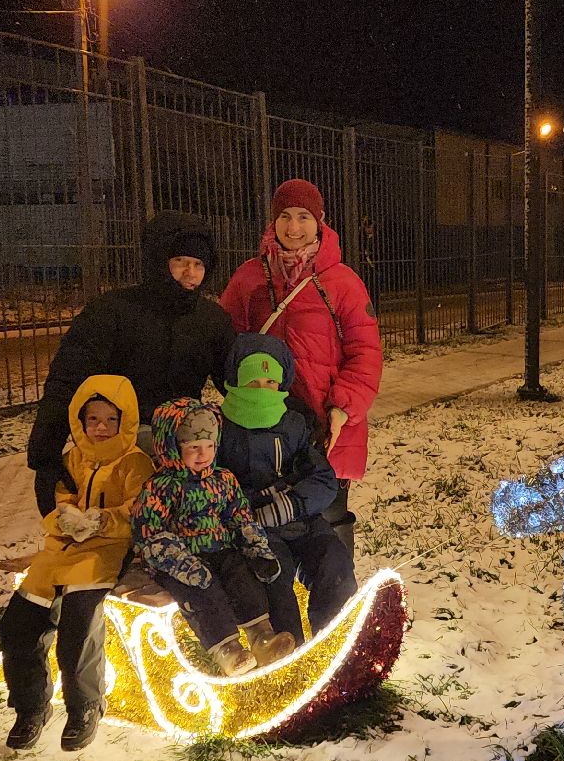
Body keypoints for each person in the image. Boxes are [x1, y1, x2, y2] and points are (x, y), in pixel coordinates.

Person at [27, 211, 234, 516]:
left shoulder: (212, 320)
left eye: (199, 264)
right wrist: (45, 455)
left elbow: (236, 383)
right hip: (118, 449)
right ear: (158, 261)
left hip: (183, 445)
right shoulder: (112, 312)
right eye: (180, 262)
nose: (190, 273)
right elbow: (68, 380)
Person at [220, 180, 382, 543]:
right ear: (273, 222)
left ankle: (331, 598)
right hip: (259, 426)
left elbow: (366, 353)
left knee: (327, 522)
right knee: (266, 523)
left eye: (303, 217)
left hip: (325, 423)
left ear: (320, 220)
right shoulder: (250, 278)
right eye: (285, 217)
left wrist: (342, 408)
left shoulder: (342, 283)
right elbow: (226, 347)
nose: (294, 227)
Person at [0, 375, 154, 752]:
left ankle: (85, 706)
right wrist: (63, 518)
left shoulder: (135, 463)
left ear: (125, 421)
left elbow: (139, 511)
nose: (100, 428)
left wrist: (102, 521)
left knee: (77, 630)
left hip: (102, 554)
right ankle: (31, 705)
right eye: (92, 419)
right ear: (80, 421)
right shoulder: (73, 459)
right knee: (18, 626)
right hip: (59, 554)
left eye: (110, 420)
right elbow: (58, 500)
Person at [130, 399, 297, 675]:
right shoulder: (161, 487)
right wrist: (182, 564)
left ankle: (261, 636)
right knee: (203, 590)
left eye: (209, 446)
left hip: (220, 548)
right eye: (193, 447)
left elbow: (238, 516)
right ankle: (227, 650)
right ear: (172, 447)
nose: (202, 454)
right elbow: (149, 532)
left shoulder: (223, 479)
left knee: (241, 574)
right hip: (181, 560)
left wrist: (256, 547)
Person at [216, 332, 358, 643]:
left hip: (303, 521)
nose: (263, 391)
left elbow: (322, 477)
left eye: (270, 384)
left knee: (335, 566)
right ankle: (288, 656)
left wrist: (293, 504)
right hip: (259, 531)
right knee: (275, 583)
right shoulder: (221, 429)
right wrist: (249, 514)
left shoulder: (293, 423)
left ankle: (335, 646)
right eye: (253, 383)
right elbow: (216, 485)